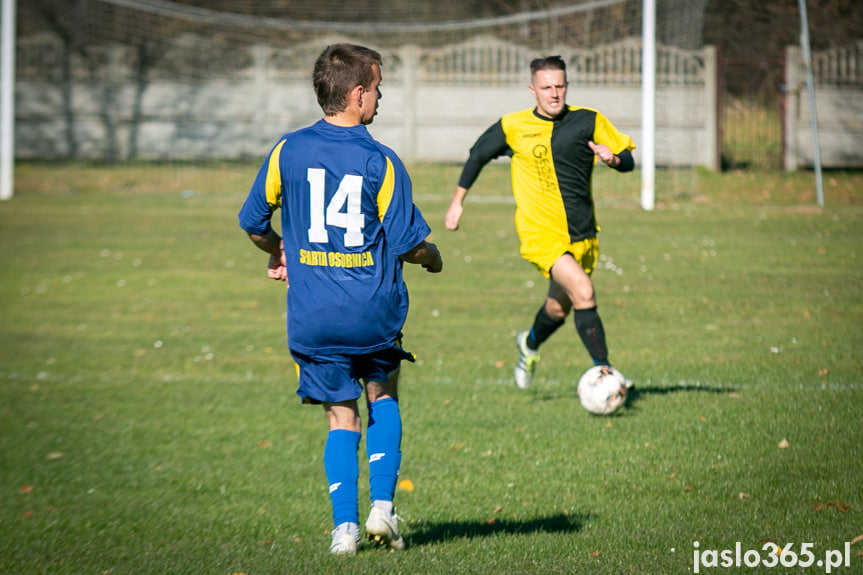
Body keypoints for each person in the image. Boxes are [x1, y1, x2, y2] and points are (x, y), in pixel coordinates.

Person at [238, 43, 443, 556]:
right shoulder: (382, 160)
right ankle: (383, 509)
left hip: (313, 318)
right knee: (384, 394)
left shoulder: (287, 150)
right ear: (357, 95)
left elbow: (252, 223)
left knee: (340, 417)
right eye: (377, 88)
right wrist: (433, 255)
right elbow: (406, 243)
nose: (380, 97)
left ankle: (343, 532)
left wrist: (279, 249)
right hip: (371, 312)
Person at [445, 55, 634, 390]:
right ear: (533, 90)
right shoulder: (513, 126)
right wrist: (457, 202)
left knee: (558, 309)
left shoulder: (589, 120)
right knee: (584, 291)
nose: (554, 93)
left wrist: (613, 158)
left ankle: (528, 345)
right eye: (546, 87)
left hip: (583, 234)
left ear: (567, 87)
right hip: (540, 235)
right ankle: (606, 375)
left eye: (559, 86)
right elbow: (478, 154)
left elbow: (628, 160)